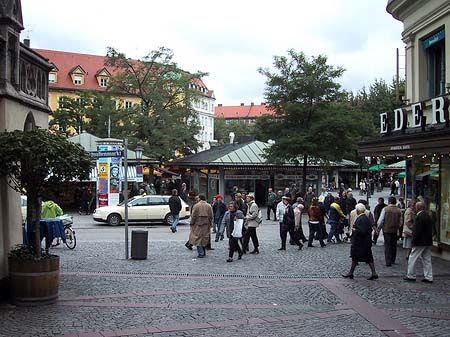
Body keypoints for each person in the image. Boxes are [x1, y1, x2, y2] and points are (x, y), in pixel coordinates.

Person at [342, 203, 378, 280]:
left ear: (358, 210)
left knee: (359, 257)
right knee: (364, 258)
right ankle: (351, 273)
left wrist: (355, 230)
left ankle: (352, 273)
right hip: (364, 242)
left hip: (361, 242)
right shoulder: (364, 217)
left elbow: (363, 231)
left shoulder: (362, 219)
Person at [404, 201, 433, 283]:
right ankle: (429, 276)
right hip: (427, 241)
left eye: (416, 207)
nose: (414, 208)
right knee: (427, 259)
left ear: (418, 208)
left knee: (412, 257)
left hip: (419, 241)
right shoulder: (428, 216)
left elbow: (417, 231)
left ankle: (411, 275)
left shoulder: (419, 217)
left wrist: (414, 241)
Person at [377, 196, 402, 267]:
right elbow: (400, 222)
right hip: (394, 230)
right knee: (394, 245)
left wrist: (378, 227)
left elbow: (381, 220)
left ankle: (388, 261)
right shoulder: (398, 210)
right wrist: (398, 227)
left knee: (387, 245)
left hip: (386, 229)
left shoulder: (385, 209)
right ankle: (393, 259)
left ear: (389, 202)